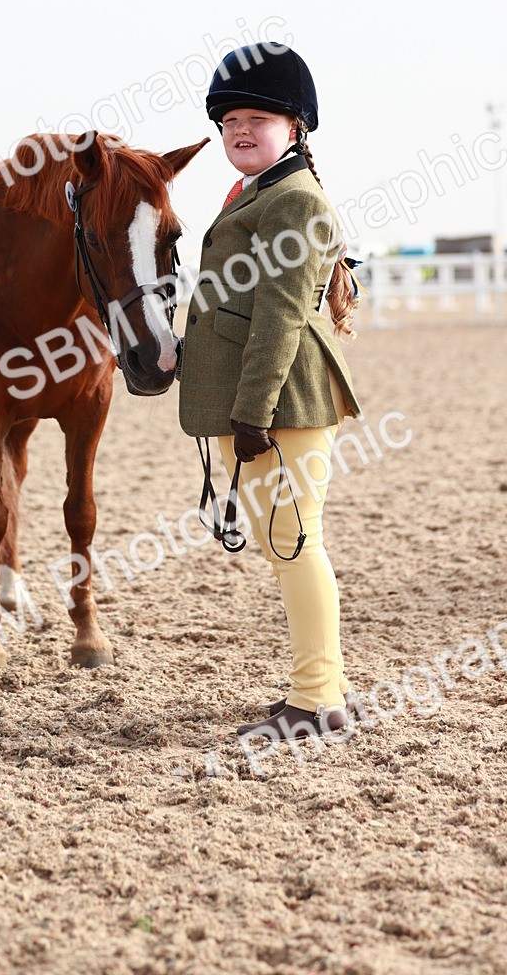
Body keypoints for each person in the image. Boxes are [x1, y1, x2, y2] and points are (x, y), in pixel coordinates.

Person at [177, 43, 362, 740]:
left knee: (293, 543)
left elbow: (281, 316)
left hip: (277, 404)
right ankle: (332, 686)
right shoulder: (258, 193)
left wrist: (251, 414)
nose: (241, 132)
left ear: (296, 126)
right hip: (259, 400)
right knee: (286, 539)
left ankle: (316, 700)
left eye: (259, 118)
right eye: (229, 123)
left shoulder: (291, 200)